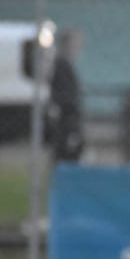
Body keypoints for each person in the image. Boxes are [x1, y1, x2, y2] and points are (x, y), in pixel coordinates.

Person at [49, 29, 85, 163]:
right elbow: (64, 95)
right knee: (67, 151)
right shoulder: (61, 65)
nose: (78, 48)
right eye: (75, 44)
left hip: (69, 119)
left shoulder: (65, 65)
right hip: (66, 120)